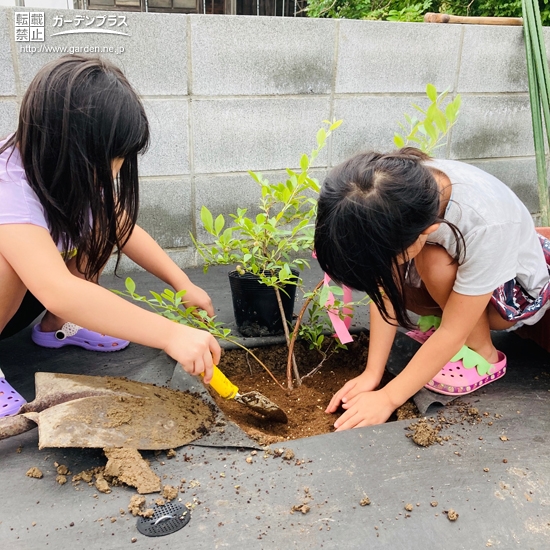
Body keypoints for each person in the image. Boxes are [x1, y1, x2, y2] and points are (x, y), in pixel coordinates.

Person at [0, 55, 221, 417]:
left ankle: (60, 326)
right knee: (6, 256)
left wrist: (184, 285)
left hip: (27, 297)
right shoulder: (8, 183)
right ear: (68, 145)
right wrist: (171, 334)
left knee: (100, 219)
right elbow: (57, 289)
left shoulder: (64, 165)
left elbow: (123, 227)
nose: (115, 173)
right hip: (17, 286)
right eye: (110, 161)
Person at [314, 148, 550, 430]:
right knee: (415, 265)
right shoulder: (393, 192)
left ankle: (484, 353)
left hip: (515, 294)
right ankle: (450, 329)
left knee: (433, 261)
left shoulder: (485, 224)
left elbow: (452, 331)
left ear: (425, 231)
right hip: (467, 272)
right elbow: (385, 289)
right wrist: (372, 373)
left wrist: (389, 397)